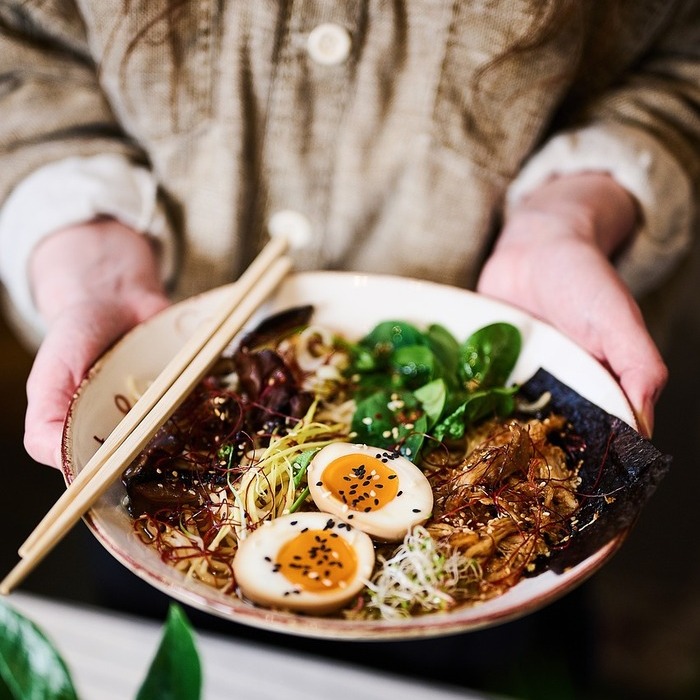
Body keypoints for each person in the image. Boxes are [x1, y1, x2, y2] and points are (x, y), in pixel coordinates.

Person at [0, 1, 697, 692]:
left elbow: (678, 57)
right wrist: (85, 253)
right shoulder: (181, 510)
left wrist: (570, 214)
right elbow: (23, 59)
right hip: (162, 493)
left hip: (488, 626)